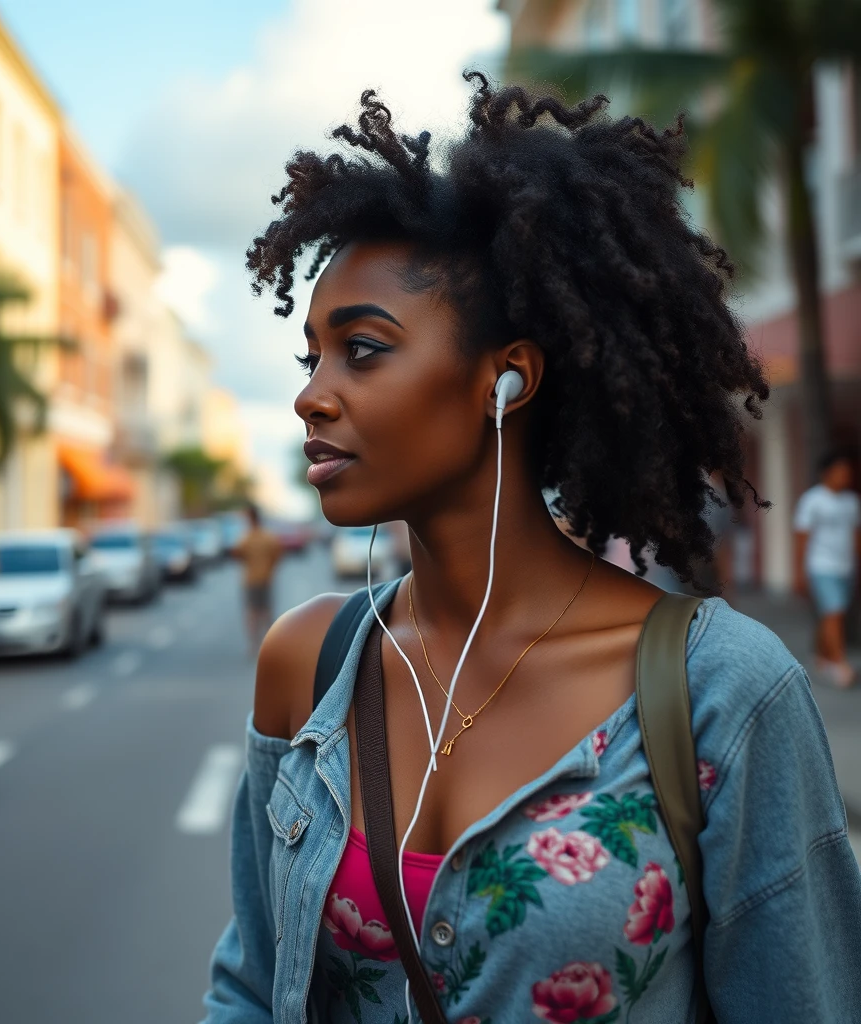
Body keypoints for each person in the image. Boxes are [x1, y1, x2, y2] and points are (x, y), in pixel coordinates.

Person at [202, 77, 861, 1023]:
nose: (313, 394)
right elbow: (253, 985)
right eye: (312, 356)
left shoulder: (721, 694)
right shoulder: (309, 668)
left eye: (365, 350)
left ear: (506, 380)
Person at [794, 451, 861, 687]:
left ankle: (821, 655)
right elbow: (802, 538)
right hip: (821, 565)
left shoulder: (851, 502)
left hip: (846, 568)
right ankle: (839, 664)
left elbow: (855, 536)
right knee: (834, 612)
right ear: (827, 473)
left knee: (831, 614)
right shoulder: (812, 500)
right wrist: (799, 572)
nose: (845, 476)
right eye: (840, 471)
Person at [232, 504, 283, 654]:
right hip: (266, 578)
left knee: (253, 613)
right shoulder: (268, 536)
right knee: (266, 612)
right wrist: (270, 568)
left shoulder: (246, 537)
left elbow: (236, 554)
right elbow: (278, 553)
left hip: (251, 580)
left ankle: (254, 645)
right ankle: (269, 643)